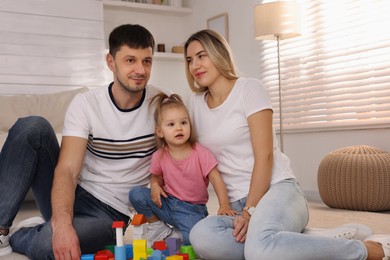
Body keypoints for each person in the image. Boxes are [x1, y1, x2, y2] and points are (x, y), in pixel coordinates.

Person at [183, 29, 390, 260]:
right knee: (201, 236)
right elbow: (190, 153)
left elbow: (265, 157)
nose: (195, 66)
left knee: (258, 251)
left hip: (278, 191)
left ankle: (365, 250)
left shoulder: (249, 89)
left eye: (202, 56)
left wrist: (250, 211)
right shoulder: (195, 103)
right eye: (190, 60)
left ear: (218, 54)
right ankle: (309, 241)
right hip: (235, 205)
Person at [0, 24, 163, 259]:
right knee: (32, 126)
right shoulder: (87, 103)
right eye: (130, 60)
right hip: (74, 192)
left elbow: (176, 157)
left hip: (109, 213)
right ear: (110, 62)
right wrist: (63, 225)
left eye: (146, 61)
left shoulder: (161, 103)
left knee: (49, 246)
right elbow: (67, 170)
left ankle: (28, 231)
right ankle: (2, 229)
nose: (140, 69)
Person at [129, 92, 236, 247]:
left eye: (183, 123)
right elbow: (155, 176)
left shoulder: (200, 153)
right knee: (136, 194)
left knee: (194, 240)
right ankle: (158, 226)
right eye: (171, 125)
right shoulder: (159, 155)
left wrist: (224, 204)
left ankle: (177, 235)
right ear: (160, 132)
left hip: (192, 210)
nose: (179, 128)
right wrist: (154, 185)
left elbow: (215, 178)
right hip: (166, 203)